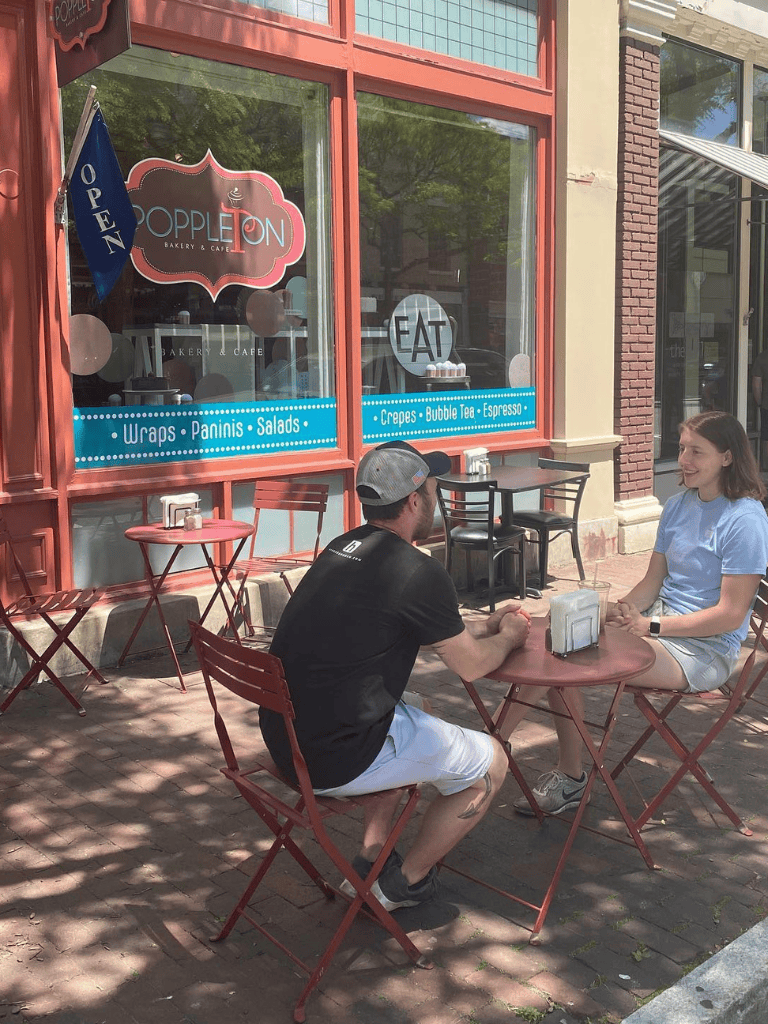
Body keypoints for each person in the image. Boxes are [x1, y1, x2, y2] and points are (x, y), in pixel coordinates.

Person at [260, 440, 531, 910]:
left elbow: (408, 624)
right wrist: (510, 637)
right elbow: (470, 664)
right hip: (333, 757)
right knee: (491, 764)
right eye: (432, 488)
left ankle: (371, 852)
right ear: (413, 501)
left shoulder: (344, 546)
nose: (436, 497)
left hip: (288, 741)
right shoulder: (415, 569)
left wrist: (485, 625)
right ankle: (401, 884)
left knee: (418, 706)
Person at [496, 411, 768, 817]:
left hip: (702, 649)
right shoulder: (677, 506)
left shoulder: (745, 519)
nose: (684, 459)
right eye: (681, 448)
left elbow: (730, 616)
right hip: (656, 625)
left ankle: (493, 747)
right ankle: (506, 749)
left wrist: (651, 625)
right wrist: (620, 609)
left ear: (727, 458)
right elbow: (652, 581)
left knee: (569, 655)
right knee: (558, 630)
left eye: (697, 451)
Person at [751, 348, 768, 470]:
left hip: (767, 406)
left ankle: (766, 467)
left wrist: (760, 403)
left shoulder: (762, 358)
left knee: (766, 437)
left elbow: (756, 384)